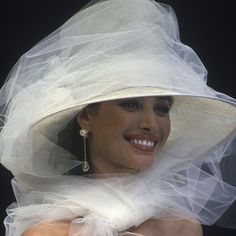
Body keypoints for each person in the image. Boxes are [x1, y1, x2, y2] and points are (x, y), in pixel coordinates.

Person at [0, 0, 235, 235]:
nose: (151, 124)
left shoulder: (182, 228)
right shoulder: (47, 233)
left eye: (162, 109)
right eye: (131, 104)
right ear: (87, 117)